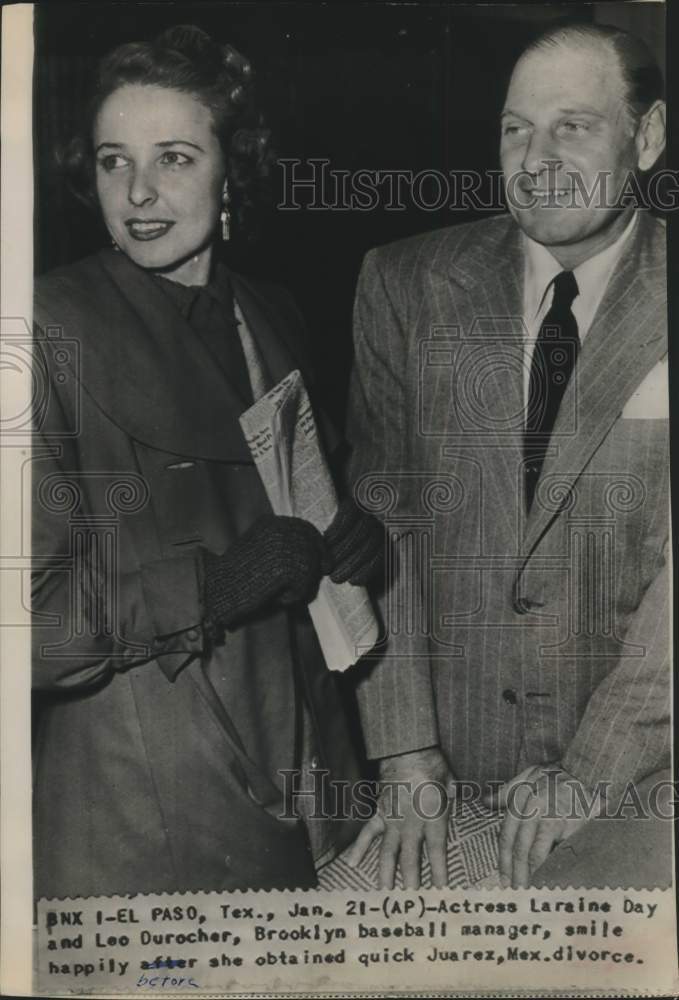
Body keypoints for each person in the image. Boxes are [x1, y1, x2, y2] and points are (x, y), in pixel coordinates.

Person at [32, 24, 383, 898]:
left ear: (235, 169)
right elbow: (26, 626)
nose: (139, 193)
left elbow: (308, 498)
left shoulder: (271, 314)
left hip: (311, 782)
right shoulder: (44, 327)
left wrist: (359, 543)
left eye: (175, 158)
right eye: (114, 162)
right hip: (151, 800)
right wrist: (214, 586)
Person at [345, 20, 669, 890]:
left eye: (572, 125)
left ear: (645, 137)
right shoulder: (405, 284)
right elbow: (380, 526)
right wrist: (406, 751)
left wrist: (589, 777)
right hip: (444, 775)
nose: (536, 158)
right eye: (514, 128)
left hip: (639, 777)